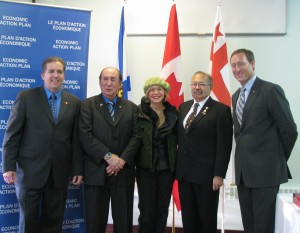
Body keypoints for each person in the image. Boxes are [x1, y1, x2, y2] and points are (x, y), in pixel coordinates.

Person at [2, 57, 83, 233]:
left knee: (54, 221)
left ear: (64, 75)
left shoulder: (75, 103)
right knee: (28, 221)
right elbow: (12, 135)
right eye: (51, 71)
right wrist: (8, 166)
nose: (55, 75)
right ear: (43, 74)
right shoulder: (26, 97)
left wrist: (77, 169)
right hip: (29, 171)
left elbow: (76, 141)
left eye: (59, 72)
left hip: (59, 173)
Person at [230, 48, 298, 233]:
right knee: (249, 225)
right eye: (233, 65)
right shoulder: (236, 95)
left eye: (241, 63)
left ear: (252, 64)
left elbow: (289, 129)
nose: (237, 69)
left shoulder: (270, 90)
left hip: (266, 173)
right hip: (244, 174)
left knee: (263, 227)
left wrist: (275, 157)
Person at [78, 67, 140, 233]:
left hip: (123, 172)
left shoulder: (132, 108)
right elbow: (85, 136)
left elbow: (136, 137)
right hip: (96, 171)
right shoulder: (87, 105)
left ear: (120, 84)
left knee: (124, 222)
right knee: (94, 222)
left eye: (113, 79)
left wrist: (121, 160)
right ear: (99, 82)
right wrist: (108, 157)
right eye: (105, 79)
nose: (108, 83)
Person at [176, 71, 233, 233]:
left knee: (206, 219)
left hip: (207, 176)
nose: (197, 87)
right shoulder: (184, 107)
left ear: (211, 87)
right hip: (184, 174)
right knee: (188, 217)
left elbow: (225, 146)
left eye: (202, 84)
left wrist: (219, 174)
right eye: (194, 84)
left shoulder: (221, 110)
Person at [136, 77, 178, 233]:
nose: (156, 93)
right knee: (147, 210)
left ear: (165, 92)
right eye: (152, 90)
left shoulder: (174, 113)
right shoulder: (138, 112)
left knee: (162, 209)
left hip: (167, 169)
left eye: (159, 89)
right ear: (147, 93)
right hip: (145, 168)